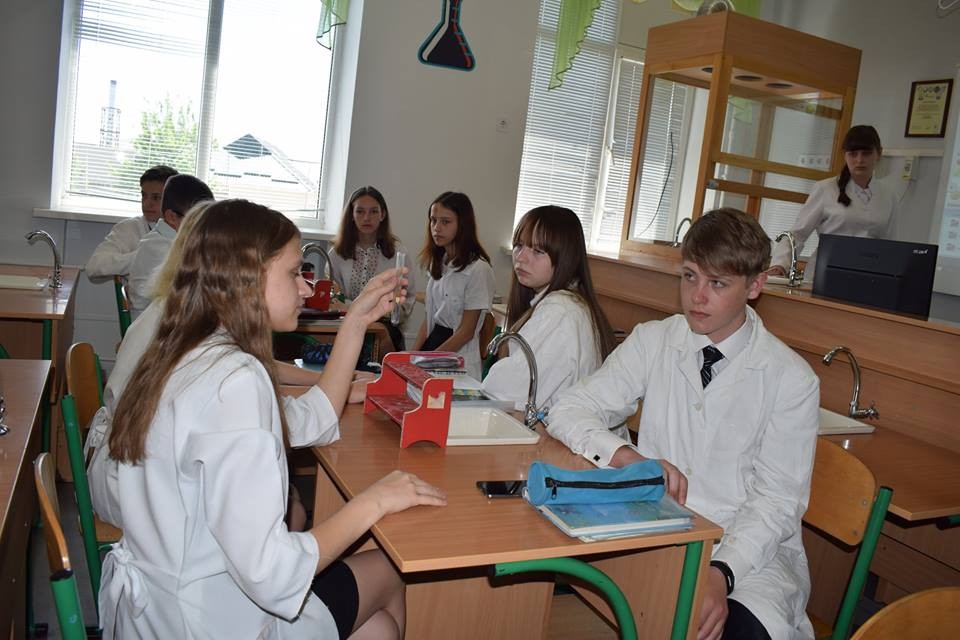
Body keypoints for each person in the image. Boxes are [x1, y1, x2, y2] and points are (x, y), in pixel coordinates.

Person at [88, 199, 446, 639]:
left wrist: (355, 322)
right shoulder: (235, 380)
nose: (305, 288)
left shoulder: (183, 348)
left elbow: (308, 418)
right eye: (294, 273)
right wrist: (374, 501)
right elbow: (271, 573)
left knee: (379, 627)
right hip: (211, 620)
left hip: (162, 609)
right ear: (248, 278)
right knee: (388, 571)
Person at [547, 208, 820, 640]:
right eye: (690, 276)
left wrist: (720, 573)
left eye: (717, 284)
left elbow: (777, 502)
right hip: (657, 528)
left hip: (748, 556)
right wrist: (629, 458)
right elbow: (567, 409)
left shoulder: (792, 379)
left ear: (755, 286)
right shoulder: (655, 340)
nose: (697, 297)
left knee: (735, 629)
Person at [481, 206, 616, 413]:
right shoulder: (568, 302)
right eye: (519, 245)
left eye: (537, 251)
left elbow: (505, 391)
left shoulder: (560, 311)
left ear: (565, 257)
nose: (521, 257)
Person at [769, 125, 898, 278]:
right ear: (845, 155)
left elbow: (890, 246)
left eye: (866, 153)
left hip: (868, 276)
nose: (859, 160)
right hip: (824, 274)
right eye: (853, 154)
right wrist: (780, 264)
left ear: (879, 154)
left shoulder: (889, 196)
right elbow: (797, 234)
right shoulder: (825, 189)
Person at [413, 191, 495, 380]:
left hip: (457, 355)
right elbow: (429, 319)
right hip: (433, 345)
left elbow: (466, 332)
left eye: (446, 221)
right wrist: (413, 357)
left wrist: (429, 362)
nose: (436, 228)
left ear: (462, 225)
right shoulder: (439, 262)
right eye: (433, 220)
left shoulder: (478, 269)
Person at [329, 186, 416, 351]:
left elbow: (404, 302)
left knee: (380, 337)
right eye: (360, 211)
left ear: (383, 215)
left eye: (374, 211)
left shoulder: (399, 254)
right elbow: (333, 299)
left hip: (384, 326)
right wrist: (353, 311)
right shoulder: (336, 254)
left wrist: (379, 312)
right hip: (345, 323)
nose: (366, 218)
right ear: (351, 215)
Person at [127, 173, 213, 317]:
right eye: (197, 220)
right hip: (154, 324)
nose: (204, 227)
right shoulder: (164, 249)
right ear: (172, 217)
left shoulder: (158, 238)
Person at [85, 165, 178, 280]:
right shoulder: (128, 228)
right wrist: (144, 256)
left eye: (156, 197)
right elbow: (94, 267)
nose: (147, 203)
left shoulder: (186, 229)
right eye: (144, 195)